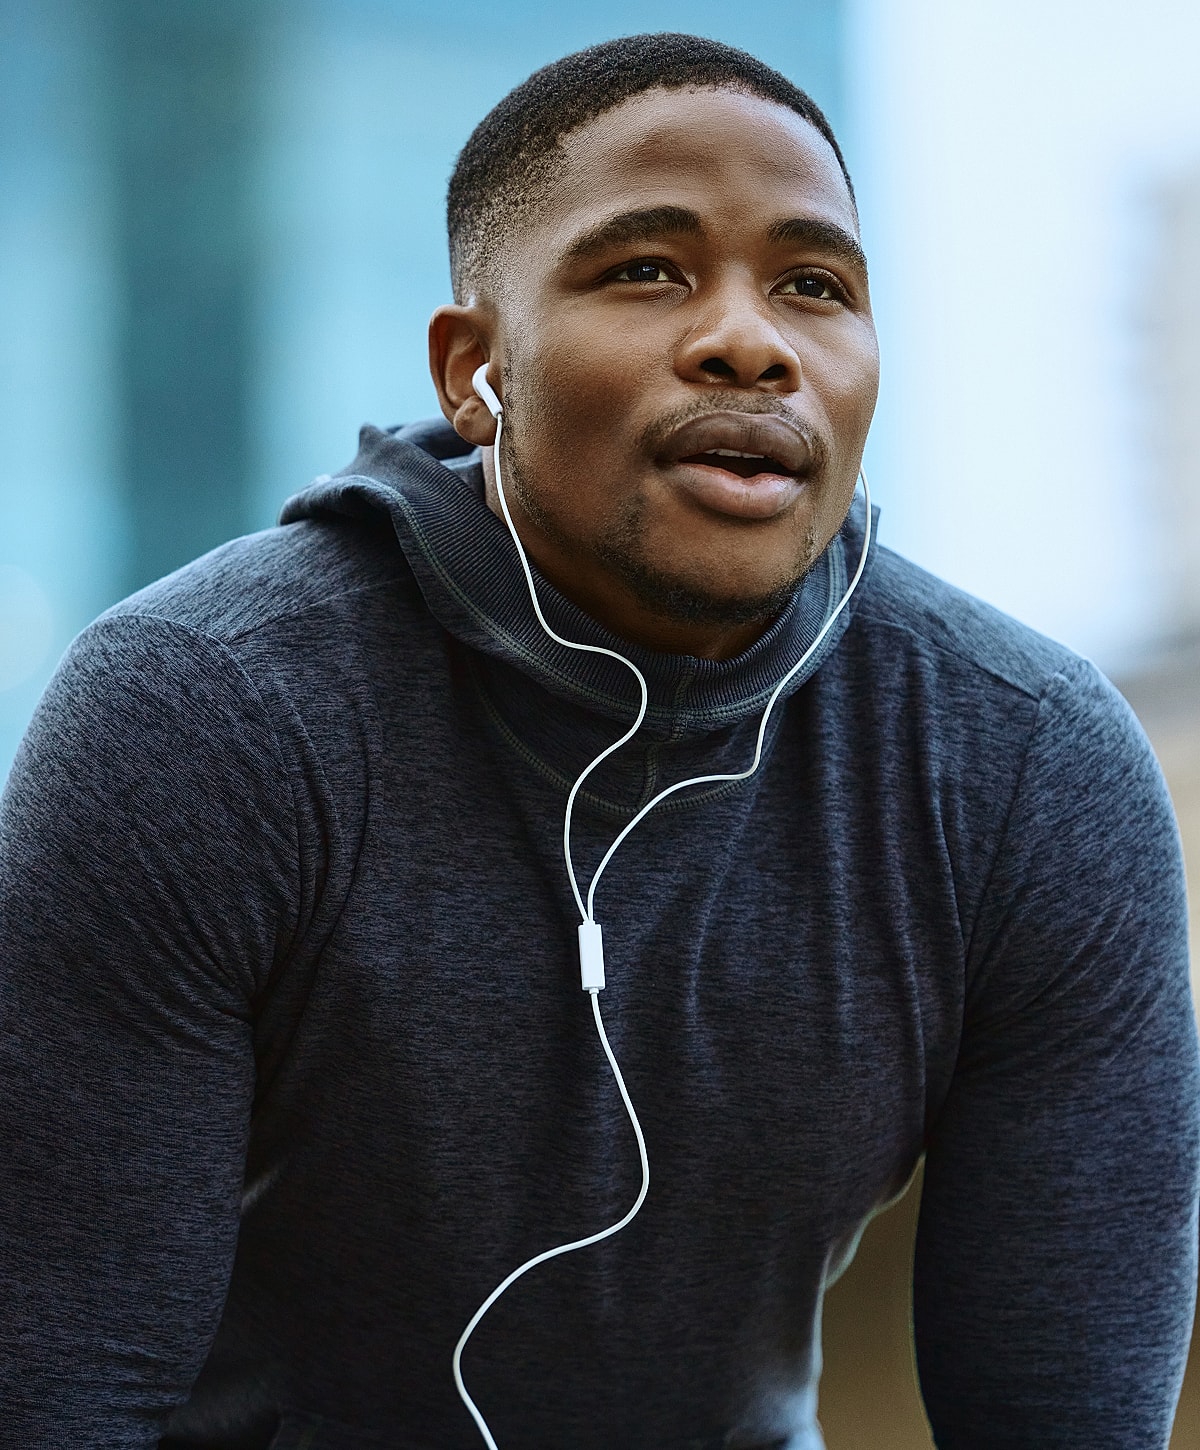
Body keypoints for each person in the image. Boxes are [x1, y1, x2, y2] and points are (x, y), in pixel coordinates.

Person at [0, 31, 1196, 1450]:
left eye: (815, 287)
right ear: (475, 372)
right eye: (647, 270)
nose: (752, 340)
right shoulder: (204, 718)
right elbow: (60, 1397)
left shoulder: (1025, 767)